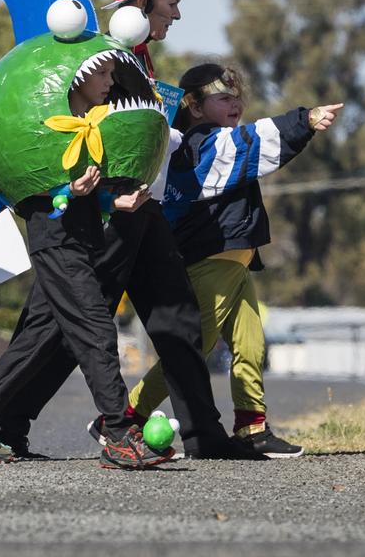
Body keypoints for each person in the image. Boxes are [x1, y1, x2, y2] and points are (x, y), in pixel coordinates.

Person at [0, 0, 260, 461]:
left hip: (145, 212)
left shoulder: (142, 60)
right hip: (108, 214)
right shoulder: (108, 60)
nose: (177, 15)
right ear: (143, 2)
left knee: (177, 316)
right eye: (171, 2)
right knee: (61, 328)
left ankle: (204, 436)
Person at [0, 53, 172, 469]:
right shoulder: (45, 120)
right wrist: (69, 189)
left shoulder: (94, 122)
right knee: (96, 330)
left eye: (109, 72)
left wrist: (113, 200)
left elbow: (86, 191)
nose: (109, 79)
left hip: (81, 239)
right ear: (76, 76)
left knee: (38, 340)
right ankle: (119, 434)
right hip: (55, 239)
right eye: (100, 72)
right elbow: (31, 184)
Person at [126, 63, 342, 457]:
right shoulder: (201, 146)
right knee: (190, 351)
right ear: (192, 105)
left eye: (238, 97)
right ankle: (127, 417)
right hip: (209, 263)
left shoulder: (214, 141)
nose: (236, 105)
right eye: (224, 98)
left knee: (251, 344)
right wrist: (304, 120)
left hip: (236, 263)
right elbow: (253, 142)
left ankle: (251, 428)